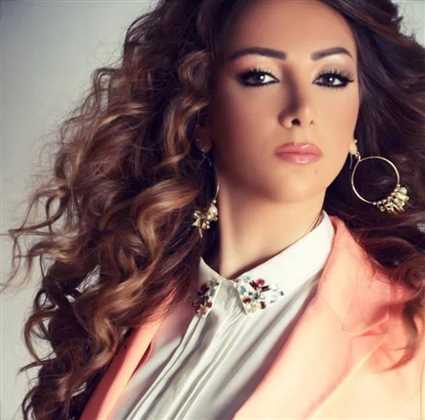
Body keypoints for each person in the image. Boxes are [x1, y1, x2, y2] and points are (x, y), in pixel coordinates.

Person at [2, 0, 425, 418]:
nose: (302, 110)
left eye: (331, 78)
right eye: (260, 76)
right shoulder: (128, 304)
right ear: (200, 114)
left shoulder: (410, 339)